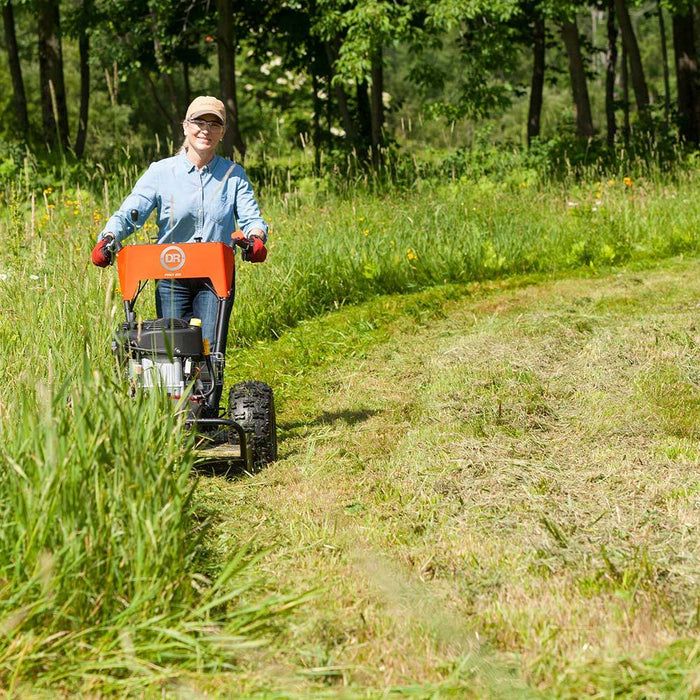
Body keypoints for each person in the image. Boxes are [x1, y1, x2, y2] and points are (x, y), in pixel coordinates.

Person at [91, 95, 268, 356]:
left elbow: (252, 219)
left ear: (222, 132)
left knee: (208, 350)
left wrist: (256, 239)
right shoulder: (161, 173)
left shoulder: (233, 175)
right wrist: (108, 237)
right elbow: (132, 211)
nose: (205, 130)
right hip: (171, 271)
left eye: (214, 124)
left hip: (214, 277)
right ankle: (172, 396)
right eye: (199, 121)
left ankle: (207, 396)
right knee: (171, 349)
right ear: (186, 126)